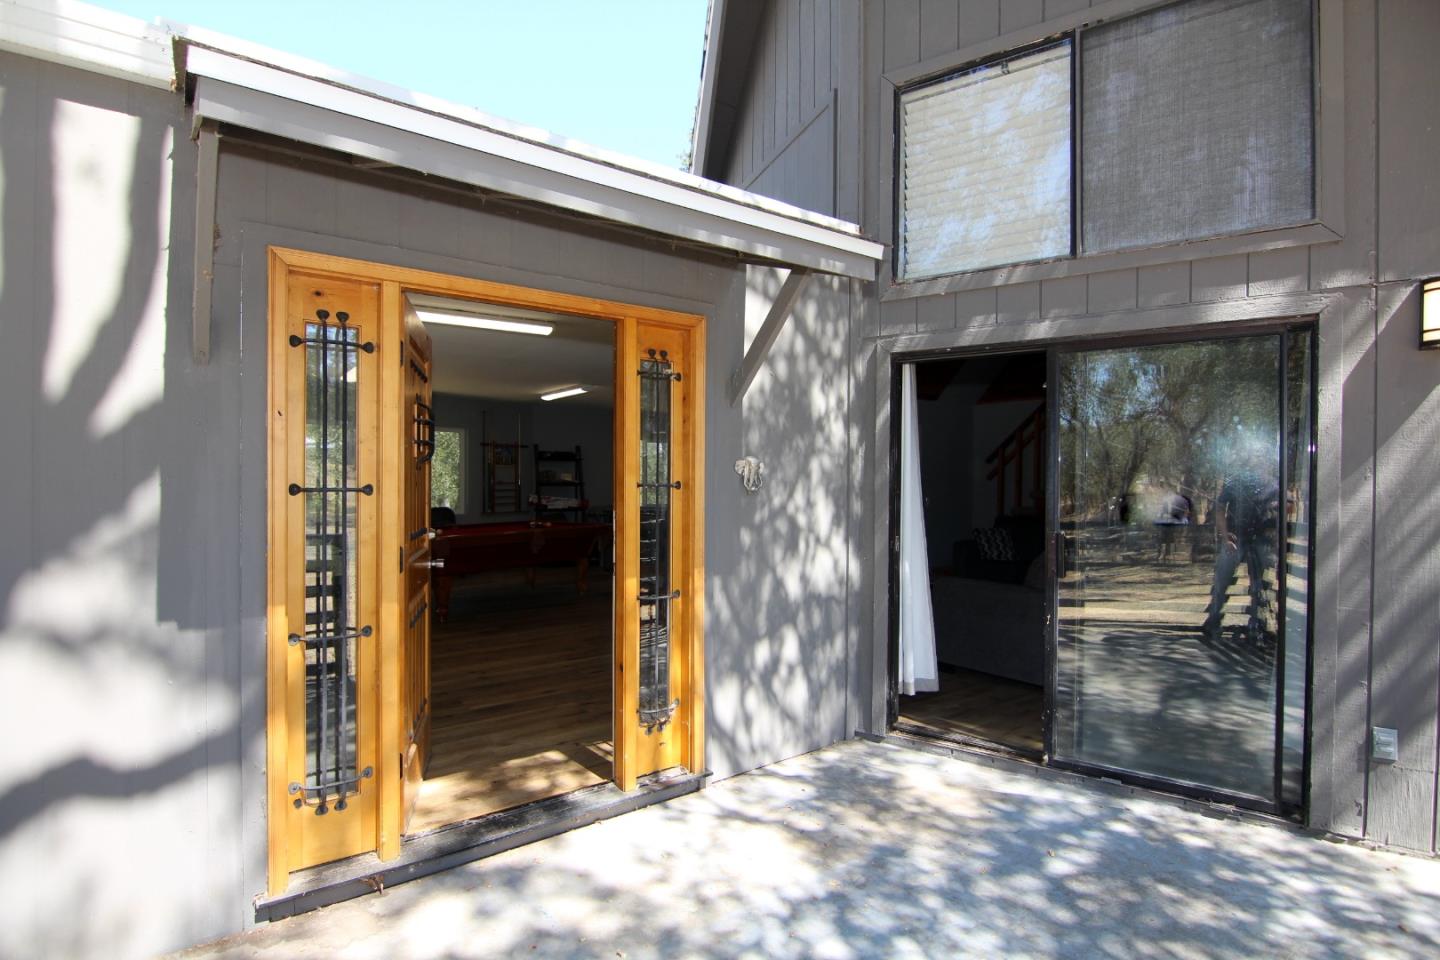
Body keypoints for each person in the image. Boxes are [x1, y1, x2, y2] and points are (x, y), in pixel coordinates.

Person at [1201, 452, 1279, 647]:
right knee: (1222, 579)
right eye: (1255, 459)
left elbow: (1284, 508)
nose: (1259, 464)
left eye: (1262, 460)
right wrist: (1225, 534)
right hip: (1236, 538)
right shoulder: (1236, 482)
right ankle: (1213, 619)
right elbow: (1220, 507)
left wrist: (1275, 534)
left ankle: (1257, 625)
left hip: (1260, 539)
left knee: (1259, 585)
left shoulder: (1273, 485)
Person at [1154, 490, 1193, 563]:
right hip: (1165, 523)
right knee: (1163, 539)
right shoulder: (1165, 504)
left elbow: (1183, 511)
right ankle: (1161, 554)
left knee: (1169, 539)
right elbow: (1162, 512)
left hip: (1173, 524)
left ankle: (1168, 554)